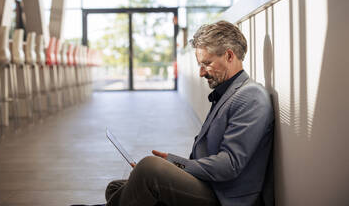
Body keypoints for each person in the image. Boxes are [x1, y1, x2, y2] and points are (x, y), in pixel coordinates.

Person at [74, 20, 274, 206]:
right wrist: (175, 167)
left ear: (229, 56)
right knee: (117, 187)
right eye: (200, 65)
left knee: (148, 169)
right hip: (210, 185)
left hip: (224, 196)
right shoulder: (228, 92)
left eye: (207, 63)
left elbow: (230, 164)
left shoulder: (251, 96)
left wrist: (176, 164)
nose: (201, 72)